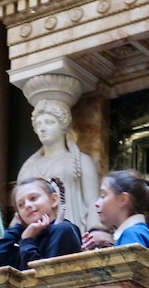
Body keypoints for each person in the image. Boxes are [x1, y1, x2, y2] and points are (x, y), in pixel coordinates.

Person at [17, 99, 100, 232]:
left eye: (49, 122)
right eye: (38, 124)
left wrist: (95, 233)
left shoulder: (81, 161)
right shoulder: (28, 168)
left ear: (63, 126)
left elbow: (93, 204)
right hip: (35, 239)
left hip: (72, 233)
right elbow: (19, 210)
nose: (42, 128)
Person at [0, 177, 81, 270]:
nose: (27, 205)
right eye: (21, 205)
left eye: (33, 198)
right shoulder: (26, 238)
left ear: (53, 200)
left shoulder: (63, 230)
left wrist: (27, 241)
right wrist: (18, 227)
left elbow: (44, 275)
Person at [86, 169, 149, 260]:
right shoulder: (139, 231)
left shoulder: (132, 234)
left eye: (103, 196)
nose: (96, 203)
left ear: (123, 199)